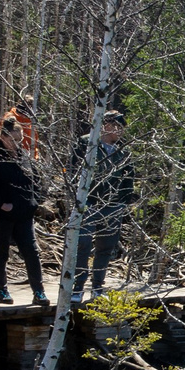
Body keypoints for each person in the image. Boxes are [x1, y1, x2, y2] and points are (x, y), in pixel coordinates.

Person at [73, 109, 136, 298]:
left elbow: (128, 178)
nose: (120, 131)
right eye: (118, 127)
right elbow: (73, 168)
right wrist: (78, 198)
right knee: (82, 245)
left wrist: (124, 202)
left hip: (113, 205)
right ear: (107, 126)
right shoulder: (87, 142)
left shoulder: (123, 151)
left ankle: (97, 287)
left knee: (106, 247)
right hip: (89, 203)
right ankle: (77, 287)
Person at [0, 113, 47, 305]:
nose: (17, 143)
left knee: (31, 251)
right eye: (14, 139)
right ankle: (2, 290)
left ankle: (38, 291)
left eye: (20, 139)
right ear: (3, 137)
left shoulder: (24, 157)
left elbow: (35, 182)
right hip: (2, 215)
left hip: (24, 213)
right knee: (1, 251)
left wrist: (35, 202)